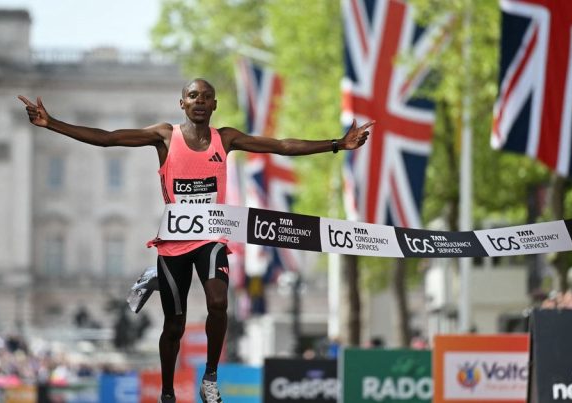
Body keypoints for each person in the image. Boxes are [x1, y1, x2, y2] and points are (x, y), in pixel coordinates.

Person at [19, 79, 373, 403]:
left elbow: (280, 146)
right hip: (173, 243)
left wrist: (337, 144)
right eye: (193, 97)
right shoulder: (163, 136)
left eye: (206, 97)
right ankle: (168, 392)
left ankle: (211, 377)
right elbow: (109, 137)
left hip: (210, 237)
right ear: (182, 104)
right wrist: (52, 123)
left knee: (218, 302)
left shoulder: (226, 138)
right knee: (174, 324)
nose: (199, 102)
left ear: (214, 105)